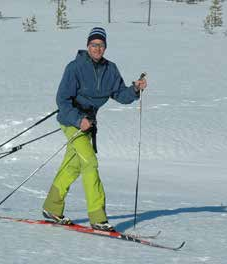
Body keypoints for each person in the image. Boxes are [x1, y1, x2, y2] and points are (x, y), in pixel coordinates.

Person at [42, 27, 147, 231]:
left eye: (101, 45)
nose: (97, 48)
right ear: (87, 45)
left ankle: (51, 207)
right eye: (93, 44)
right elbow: (62, 100)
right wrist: (78, 119)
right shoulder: (75, 67)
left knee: (73, 166)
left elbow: (121, 95)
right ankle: (98, 217)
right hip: (71, 120)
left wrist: (135, 89)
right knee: (89, 162)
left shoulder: (111, 69)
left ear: (105, 47)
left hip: (89, 124)